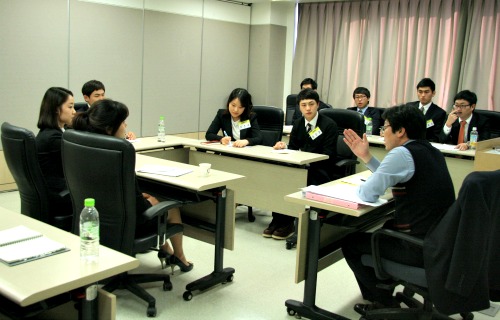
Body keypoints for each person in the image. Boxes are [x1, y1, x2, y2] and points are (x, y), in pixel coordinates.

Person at [341, 105, 455, 316]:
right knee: (382, 229)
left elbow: (368, 193)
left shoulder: (402, 153)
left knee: (351, 243)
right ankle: (386, 289)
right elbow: (394, 174)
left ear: (400, 131)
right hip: (440, 244)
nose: (382, 133)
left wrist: (360, 185)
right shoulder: (431, 151)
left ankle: (383, 302)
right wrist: (366, 157)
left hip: (418, 248)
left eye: (385, 128)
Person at [72, 99, 193, 273]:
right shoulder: (120, 152)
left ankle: (166, 250)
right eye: (122, 122)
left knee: (149, 197)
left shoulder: (83, 144)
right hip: (129, 224)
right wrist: (148, 200)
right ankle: (179, 257)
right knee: (170, 206)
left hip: (97, 218)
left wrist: (141, 196)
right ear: (109, 128)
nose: (126, 125)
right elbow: (138, 208)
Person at [268, 88, 338, 239]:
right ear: (299, 107)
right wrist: (284, 147)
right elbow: (293, 148)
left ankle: (287, 222)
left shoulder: (329, 125)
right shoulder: (299, 123)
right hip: (301, 167)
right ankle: (278, 220)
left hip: (320, 169)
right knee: (281, 178)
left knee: (296, 181)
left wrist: (306, 159)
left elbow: (329, 155)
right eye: (303, 105)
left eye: (311, 104)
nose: (308, 108)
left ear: (318, 105)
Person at [36, 87, 75, 219]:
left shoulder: (47, 132)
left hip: (51, 193)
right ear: (56, 109)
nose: (74, 112)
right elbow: (81, 163)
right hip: (59, 197)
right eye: (70, 107)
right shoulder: (53, 140)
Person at [405, 78, 446, 142]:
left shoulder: (439, 113)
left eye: (426, 92)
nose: (423, 95)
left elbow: (436, 136)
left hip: (425, 145)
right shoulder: (409, 107)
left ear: (433, 93)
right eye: (420, 92)